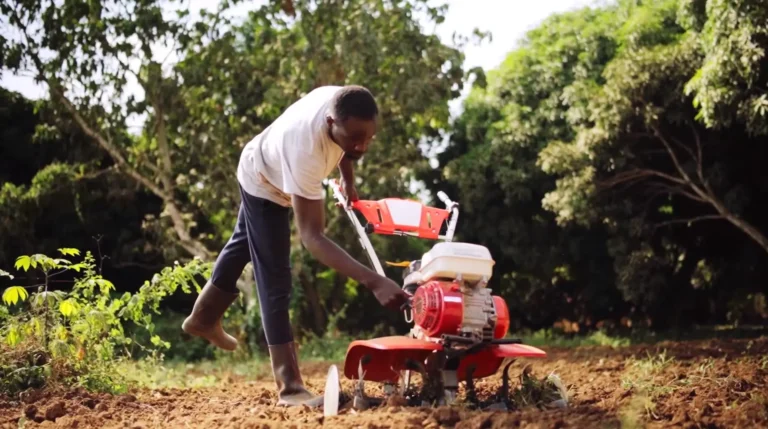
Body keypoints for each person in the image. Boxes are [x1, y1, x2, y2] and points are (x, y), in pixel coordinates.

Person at [181, 85, 410, 407]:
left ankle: (202, 318)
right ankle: (290, 390)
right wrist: (373, 280)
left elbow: (349, 147)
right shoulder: (305, 148)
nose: (363, 145)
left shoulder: (343, 102)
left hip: (269, 161)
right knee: (275, 278)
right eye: (355, 137)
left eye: (369, 137)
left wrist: (348, 179)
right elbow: (312, 238)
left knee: (244, 243)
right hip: (265, 181)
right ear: (331, 122)